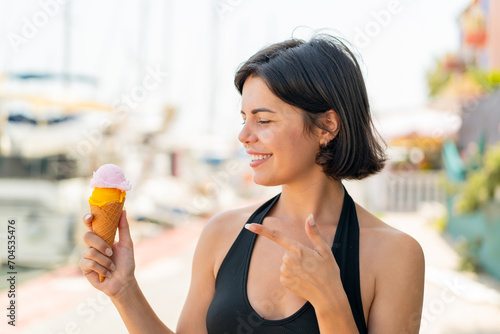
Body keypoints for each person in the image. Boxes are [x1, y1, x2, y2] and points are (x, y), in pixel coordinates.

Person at [80, 34, 425, 333]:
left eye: (263, 119)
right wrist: (124, 290)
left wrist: (330, 300)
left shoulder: (395, 254)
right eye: (244, 118)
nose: (244, 136)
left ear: (327, 126)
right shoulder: (222, 233)